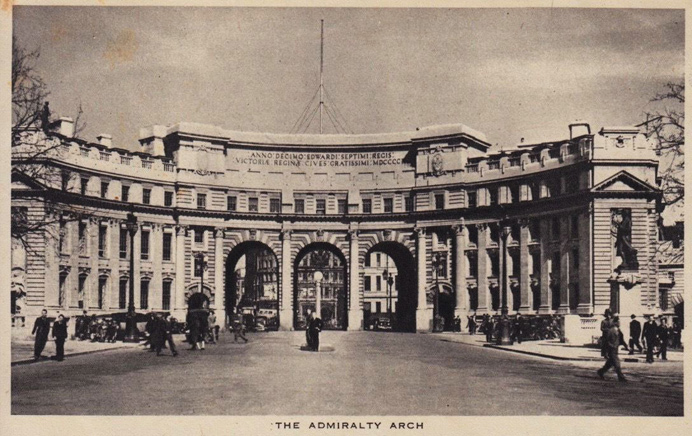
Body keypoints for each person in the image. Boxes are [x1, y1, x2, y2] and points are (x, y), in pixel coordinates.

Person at [597, 317, 627, 382]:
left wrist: (626, 346)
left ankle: (601, 372)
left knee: (609, 363)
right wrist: (610, 348)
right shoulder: (610, 331)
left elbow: (622, 339)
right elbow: (606, 341)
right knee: (617, 363)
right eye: (618, 322)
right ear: (615, 323)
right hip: (611, 349)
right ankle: (621, 377)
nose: (619, 323)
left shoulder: (619, 330)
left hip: (616, 349)